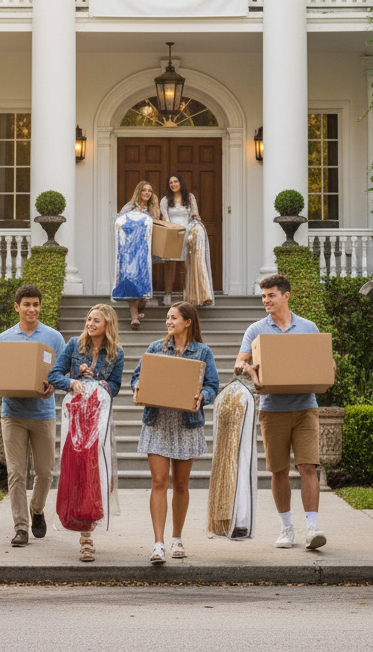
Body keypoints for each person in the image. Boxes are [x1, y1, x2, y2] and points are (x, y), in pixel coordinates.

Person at [234, 274, 327, 551]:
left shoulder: (308, 327)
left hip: (305, 407)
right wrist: (248, 369)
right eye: (263, 296)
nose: (266, 301)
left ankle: (313, 527)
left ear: (286, 296)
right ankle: (286, 527)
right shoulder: (256, 331)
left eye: (271, 295)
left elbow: (321, 360)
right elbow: (240, 362)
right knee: (279, 470)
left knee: (309, 466)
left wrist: (327, 368)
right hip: (272, 408)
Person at [130, 302, 219, 565]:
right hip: (157, 421)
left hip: (186, 423)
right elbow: (138, 376)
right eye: (167, 318)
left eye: (173, 318)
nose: (168, 322)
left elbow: (213, 385)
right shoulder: (156, 348)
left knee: (180, 484)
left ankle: (176, 538)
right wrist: (138, 387)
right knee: (159, 483)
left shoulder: (202, 351)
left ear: (188, 322)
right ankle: (158, 544)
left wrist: (203, 395)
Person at [0, 284, 65, 549]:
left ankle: (37, 509)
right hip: (13, 414)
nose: (31, 309)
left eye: (35, 304)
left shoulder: (54, 337)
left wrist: (53, 387)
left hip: (43, 414)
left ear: (40, 307)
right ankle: (21, 527)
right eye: (26, 304)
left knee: (45, 473)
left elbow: (61, 373)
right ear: (17, 307)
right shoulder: (4, 338)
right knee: (16, 473)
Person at [49, 303, 124, 562]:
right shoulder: (73, 345)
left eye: (96, 321)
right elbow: (53, 375)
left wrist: (100, 384)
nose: (90, 324)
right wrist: (72, 381)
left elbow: (116, 386)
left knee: (94, 473)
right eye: (89, 319)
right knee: (76, 472)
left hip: (97, 420)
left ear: (107, 326)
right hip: (74, 419)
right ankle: (81, 529)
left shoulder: (117, 354)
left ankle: (87, 536)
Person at [159, 174, 214, 307]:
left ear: (180, 183)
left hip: (189, 233)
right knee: (170, 266)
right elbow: (165, 218)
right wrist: (173, 231)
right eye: (170, 182)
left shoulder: (190, 197)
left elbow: (195, 214)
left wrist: (197, 220)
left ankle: (191, 295)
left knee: (190, 264)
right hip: (172, 233)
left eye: (175, 181)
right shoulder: (165, 200)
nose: (173, 184)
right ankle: (167, 295)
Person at [114, 180, 160, 328]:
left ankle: (140, 306)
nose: (147, 193)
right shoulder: (129, 207)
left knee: (144, 281)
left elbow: (158, 225)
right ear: (138, 192)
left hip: (148, 249)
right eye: (144, 190)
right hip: (131, 250)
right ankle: (134, 317)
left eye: (150, 190)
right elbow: (118, 223)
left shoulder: (153, 208)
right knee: (132, 280)